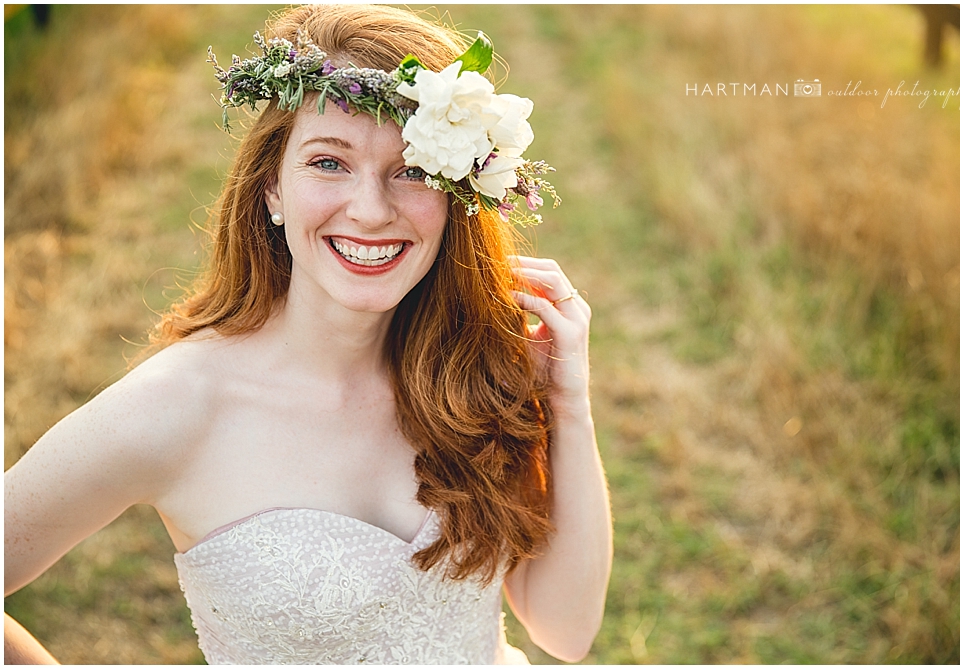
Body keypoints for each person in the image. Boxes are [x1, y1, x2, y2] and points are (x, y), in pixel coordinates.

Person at [4, 4, 612, 664]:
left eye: (410, 169)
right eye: (329, 163)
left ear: (455, 195)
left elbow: (565, 629)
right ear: (272, 189)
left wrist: (569, 407)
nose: (372, 210)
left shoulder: (477, 366)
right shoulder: (175, 406)